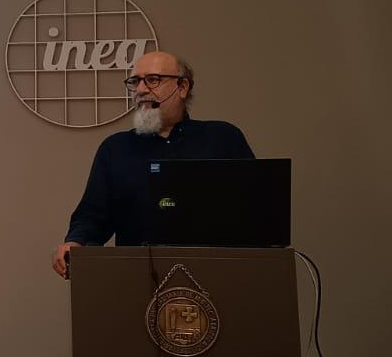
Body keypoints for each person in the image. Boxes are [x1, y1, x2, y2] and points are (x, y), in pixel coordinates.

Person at [51, 51, 253, 278]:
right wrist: (74, 242)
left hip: (217, 276)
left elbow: (254, 210)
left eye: (153, 80)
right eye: (135, 81)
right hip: (137, 280)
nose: (141, 90)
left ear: (182, 87)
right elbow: (92, 215)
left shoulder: (223, 139)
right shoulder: (115, 149)